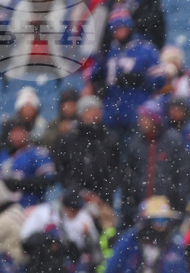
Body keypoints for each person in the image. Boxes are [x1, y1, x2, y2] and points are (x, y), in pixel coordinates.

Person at [101, 196, 188, 273]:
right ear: (146, 221)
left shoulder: (174, 246)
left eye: (166, 220)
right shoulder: (129, 242)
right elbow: (111, 272)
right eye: (158, 220)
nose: (163, 225)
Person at [90, 8, 164, 136]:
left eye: (122, 27)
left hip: (136, 110)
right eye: (116, 29)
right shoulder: (108, 50)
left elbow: (159, 81)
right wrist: (100, 86)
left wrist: (140, 79)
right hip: (112, 111)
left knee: (134, 150)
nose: (119, 32)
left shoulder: (146, 49)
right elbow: (96, 76)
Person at [53, 95, 122, 205]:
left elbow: (116, 169)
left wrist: (104, 193)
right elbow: (61, 168)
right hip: (74, 199)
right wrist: (78, 192)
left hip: (103, 200)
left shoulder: (110, 139)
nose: (94, 114)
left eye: (97, 110)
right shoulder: (68, 140)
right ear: (81, 114)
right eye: (89, 110)